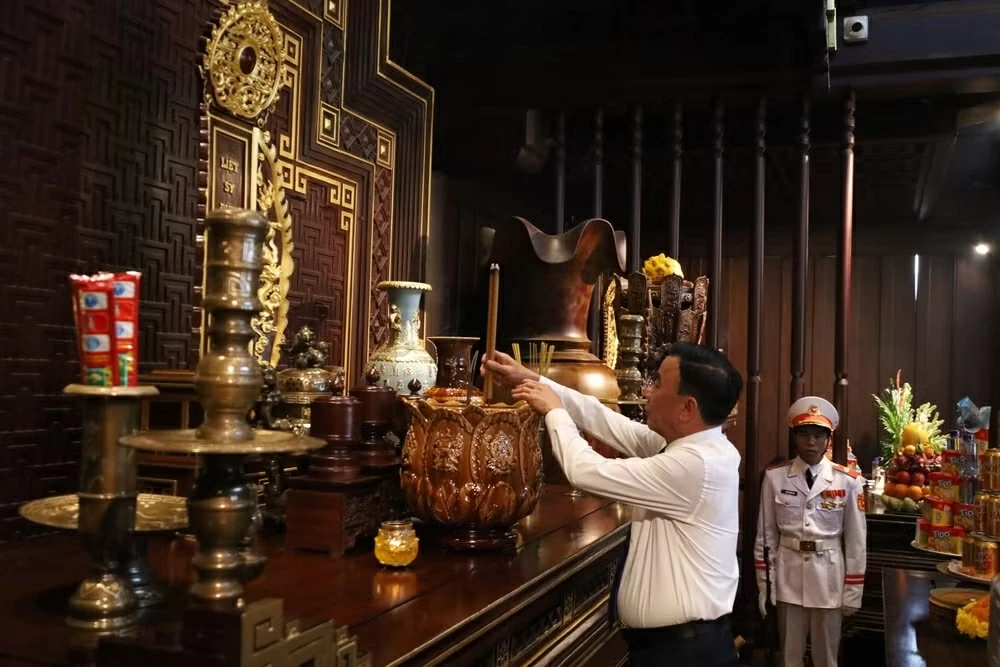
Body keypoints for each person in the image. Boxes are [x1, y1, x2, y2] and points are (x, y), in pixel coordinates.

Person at [483, 342, 743, 667]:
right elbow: (607, 421)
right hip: (670, 648)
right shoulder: (693, 446)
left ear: (687, 409)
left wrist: (554, 411)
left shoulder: (697, 465)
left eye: (658, 383)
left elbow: (584, 471)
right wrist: (533, 380)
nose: (647, 392)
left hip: (684, 655)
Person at [755, 396, 867, 667]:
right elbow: (766, 536)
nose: (811, 442)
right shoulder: (775, 477)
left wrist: (853, 590)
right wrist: (764, 585)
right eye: (804, 434)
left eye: (818, 435)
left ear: (829, 439)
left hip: (829, 578)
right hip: (788, 577)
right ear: (794, 437)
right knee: (789, 656)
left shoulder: (848, 481)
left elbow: (856, 541)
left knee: (826, 657)